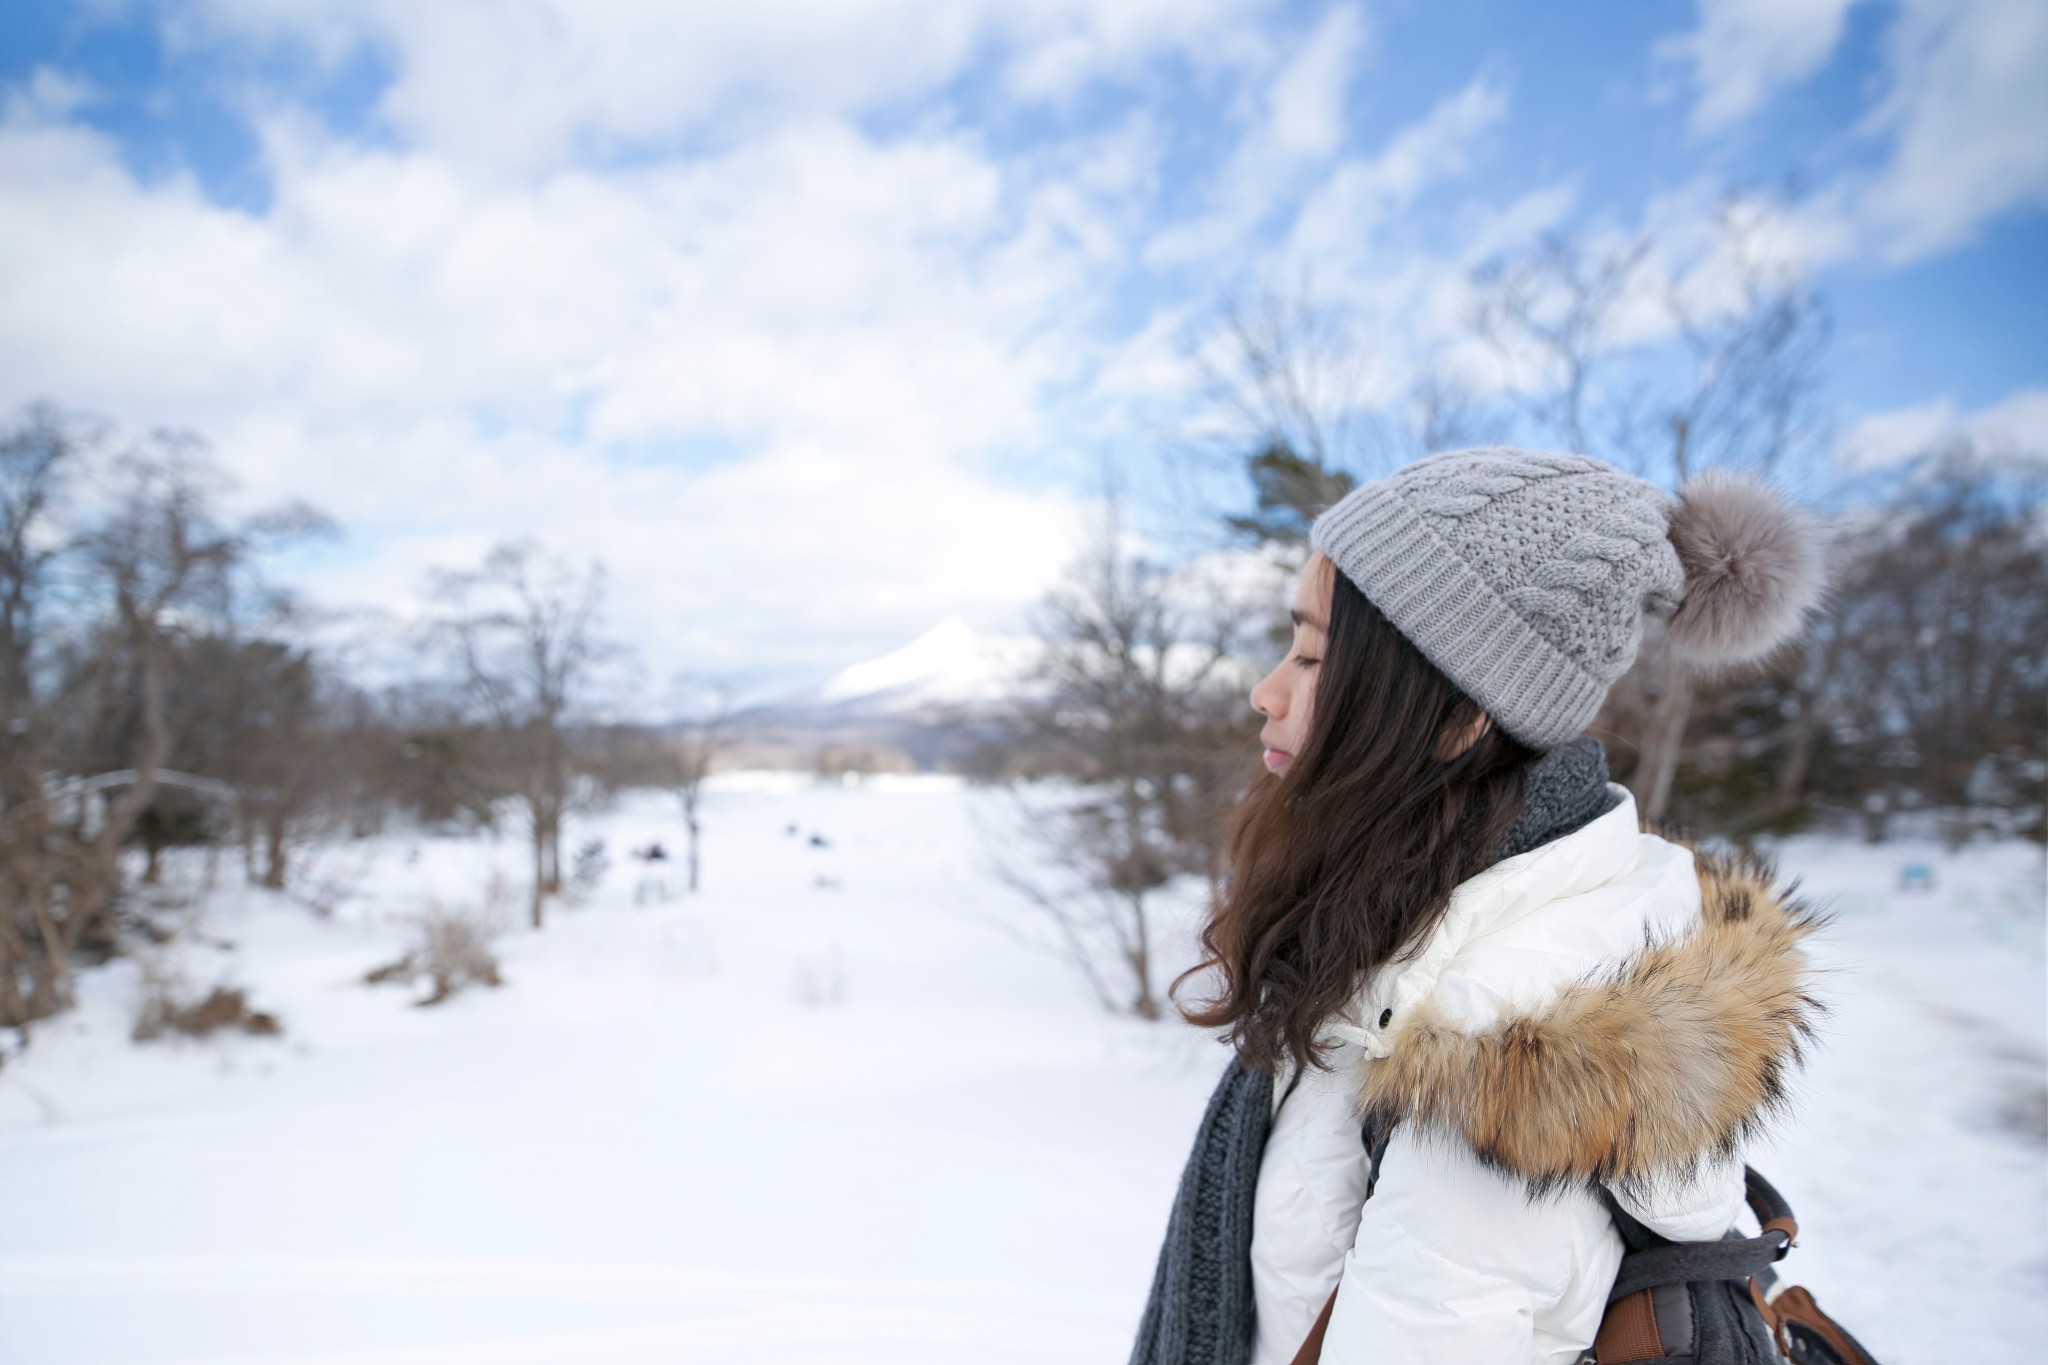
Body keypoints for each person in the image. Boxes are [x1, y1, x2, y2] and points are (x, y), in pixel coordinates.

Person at [1130, 448, 1827, 1365]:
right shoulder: (1396, 936)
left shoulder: (1495, 1048)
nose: (1268, 690)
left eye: (1310, 655)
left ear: (1460, 717)